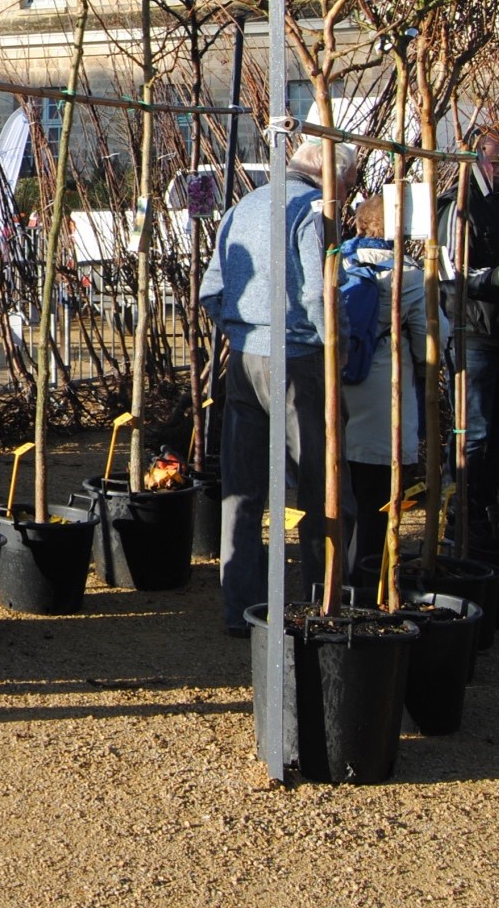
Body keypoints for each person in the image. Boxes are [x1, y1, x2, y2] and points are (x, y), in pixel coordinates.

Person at [198, 137, 349, 636]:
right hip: (300, 358)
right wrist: (337, 346)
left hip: (243, 359)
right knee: (317, 485)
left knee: (240, 490)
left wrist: (241, 332)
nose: (348, 194)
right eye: (347, 183)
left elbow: (212, 288)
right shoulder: (312, 211)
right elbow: (316, 293)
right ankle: (321, 603)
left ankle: (238, 609)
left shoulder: (244, 205)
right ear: (331, 177)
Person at [341, 197, 425, 574]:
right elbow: (428, 344)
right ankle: (368, 571)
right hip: (382, 391)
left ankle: (334, 570)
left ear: (359, 225)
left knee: (337, 487)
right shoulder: (409, 274)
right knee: (376, 492)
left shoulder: (335, 262)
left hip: (336, 385)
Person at [444, 129, 499, 521]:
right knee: (472, 433)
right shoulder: (457, 207)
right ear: (477, 157)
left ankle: (484, 507)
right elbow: (446, 275)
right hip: (473, 332)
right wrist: (494, 277)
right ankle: (457, 514)